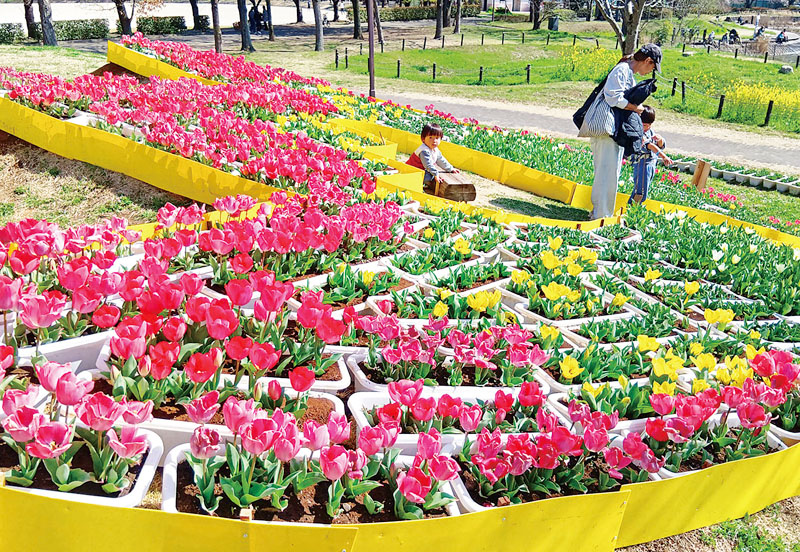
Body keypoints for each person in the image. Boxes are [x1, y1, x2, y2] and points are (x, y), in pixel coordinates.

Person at [579, 44, 662, 219]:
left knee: (606, 171)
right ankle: (602, 216)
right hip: (608, 129)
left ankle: (599, 212)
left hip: (612, 130)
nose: (650, 71)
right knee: (608, 172)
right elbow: (613, 97)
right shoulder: (622, 70)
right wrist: (636, 108)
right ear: (648, 61)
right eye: (653, 67)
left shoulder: (626, 71)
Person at [627, 106, 673, 205]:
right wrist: (663, 156)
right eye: (644, 125)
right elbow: (650, 146)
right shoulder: (638, 133)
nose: (647, 128)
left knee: (644, 188)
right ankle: (630, 210)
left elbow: (660, 145)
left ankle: (633, 209)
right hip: (643, 163)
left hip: (651, 163)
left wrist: (660, 140)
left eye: (649, 125)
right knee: (641, 191)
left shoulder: (649, 131)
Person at [406, 123, 460, 194]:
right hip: (412, 171)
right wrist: (435, 174)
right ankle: (419, 184)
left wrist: (450, 168)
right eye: (430, 137)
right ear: (423, 139)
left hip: (421, 170)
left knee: (433, 173)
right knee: (431, 176)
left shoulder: (435, 150)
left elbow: (441, 160)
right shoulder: (424, 150)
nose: (434, 141)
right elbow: (428, 165)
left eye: (437, 138)